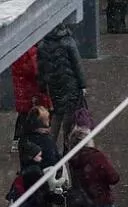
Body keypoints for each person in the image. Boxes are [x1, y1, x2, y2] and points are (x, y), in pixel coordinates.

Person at [37, 23, 88, 152]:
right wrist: (83, 85)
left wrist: (43, 86)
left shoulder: (43, 45)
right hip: (70, 84)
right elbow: (77, 65)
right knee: (70, 116)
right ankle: (68, 147)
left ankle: (50, 146)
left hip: (54, 85)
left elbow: (41, 68)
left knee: (57, 114)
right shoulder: (68, 42)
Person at [10, 46, 51, 153]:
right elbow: (34, 70)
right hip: (30, 90)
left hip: (22, 89)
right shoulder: (31, 51)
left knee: (23, 115)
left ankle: (17, 140)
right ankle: (25, 140)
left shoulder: (17, 50)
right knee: (32, 115)